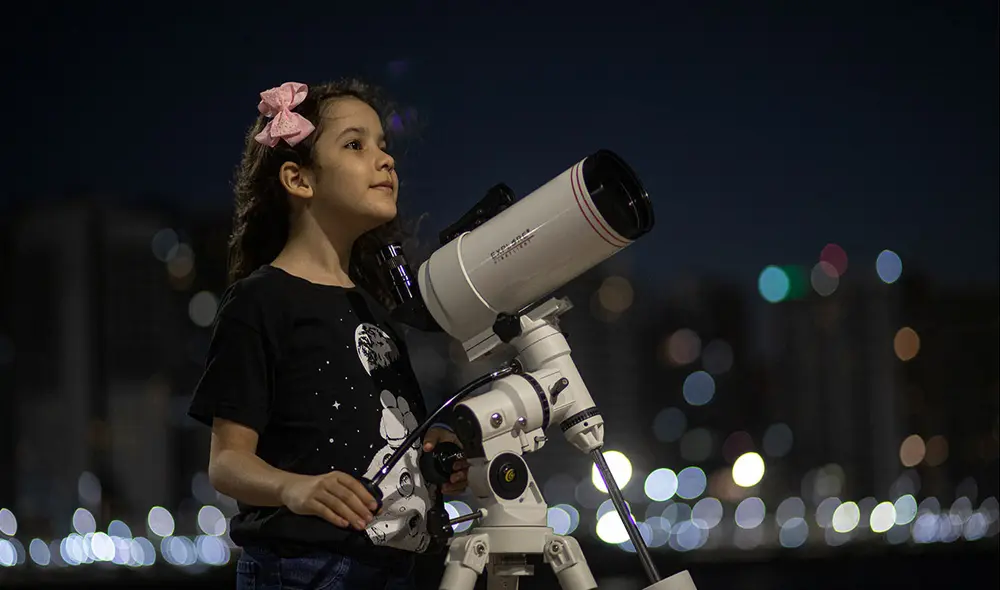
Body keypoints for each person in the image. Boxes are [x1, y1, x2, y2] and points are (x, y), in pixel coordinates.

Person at [188, 79, 469, 590]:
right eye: (356, 145)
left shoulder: (374, 308)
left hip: (394, 566)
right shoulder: (260, 300)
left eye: (384, 145)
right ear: (298, 180)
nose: (386, 160)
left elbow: (381, 421)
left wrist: (428, 445)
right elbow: (227, 462)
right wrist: (296, 489)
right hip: (304, 568)